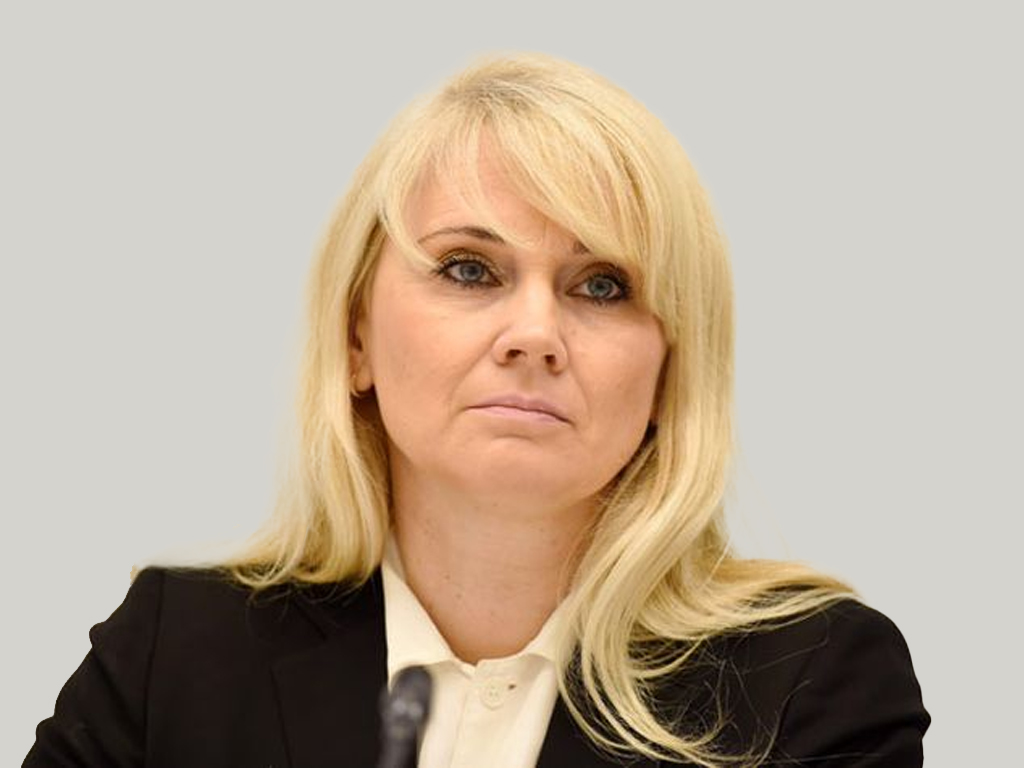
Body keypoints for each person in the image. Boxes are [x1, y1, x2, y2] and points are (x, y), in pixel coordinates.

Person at [24, 53, 929, 767]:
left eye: (602, 285)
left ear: (669, 371)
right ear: (356, 337)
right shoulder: (174, 654)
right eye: (469, 269)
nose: (534, 334)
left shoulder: (813, 681)